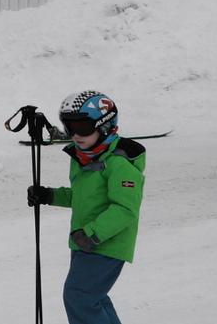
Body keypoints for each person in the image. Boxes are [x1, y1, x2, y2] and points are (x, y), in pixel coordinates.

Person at [27, 91, 146, 324]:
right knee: (94, 298)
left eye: (83, 127)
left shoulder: (119, 164)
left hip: (106, 243)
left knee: (79, 295)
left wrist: (91, 235)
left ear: (105, 126)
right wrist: (49, 195)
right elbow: (82, 197)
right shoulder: (86, 157)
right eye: (70, 127)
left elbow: (125, 209)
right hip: (86, 242)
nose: (75, 135)